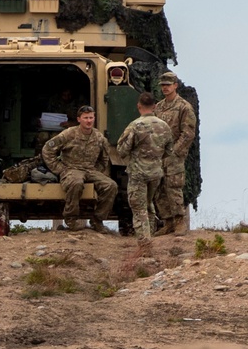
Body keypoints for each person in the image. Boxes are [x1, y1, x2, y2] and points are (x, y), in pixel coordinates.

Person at [41, 105, 118, 232]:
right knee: (76, 183)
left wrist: (97, 171)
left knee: (111, 186)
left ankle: (97, 220)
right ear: (79, 119)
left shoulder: (99, 137)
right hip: (71, 169)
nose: (89, 121)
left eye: (91, 118)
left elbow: (104, 158)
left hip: (90, 170)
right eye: (85, 118)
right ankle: (71, 219)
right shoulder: (69, 134)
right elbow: (48, 150)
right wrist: (60, 169)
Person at [116, 92, 174, 242]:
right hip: (155, 173)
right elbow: (169, 151)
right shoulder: (164, 126)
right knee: (149, 204)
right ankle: (151, 236)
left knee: (139, 208)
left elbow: (122, 150)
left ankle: (145, 243)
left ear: (139, 106)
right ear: (154, 106)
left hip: (138, 174)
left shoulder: (135, 126)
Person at [155, 71, 197, 236]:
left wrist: (175, 152)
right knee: (159, 189)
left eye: (168, 85)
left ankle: (180, 222)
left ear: (175, 86)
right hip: (158, 155)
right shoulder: (158, 107)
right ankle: (168, 222)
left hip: (175, 155)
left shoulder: (184, 107)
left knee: (173, 188)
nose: (165, 88)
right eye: (163, 85)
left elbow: (188, 133)